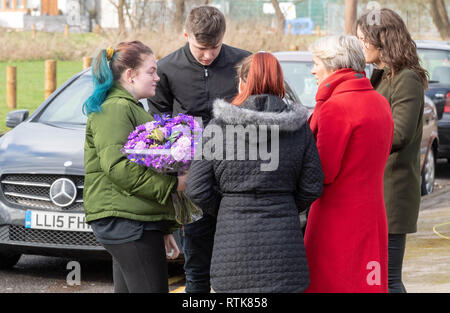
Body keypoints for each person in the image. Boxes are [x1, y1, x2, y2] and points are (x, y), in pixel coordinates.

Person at [185, 52, 323, 292]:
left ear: (241, 83)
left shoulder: (219, 127)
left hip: (233, 245)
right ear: (280, 83)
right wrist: (285, 205)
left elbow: (196, 187)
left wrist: (228, 207)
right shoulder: (299, 129)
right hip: (284, 246)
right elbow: (312, 185)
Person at [147, 6, 250, 293]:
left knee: (237, 267)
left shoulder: (243, 63)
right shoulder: (166, 69)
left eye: (214, 48)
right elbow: (161, 126)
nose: (207, 55)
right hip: (193, 181)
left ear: (224, 37)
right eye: (200, 48)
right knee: (196, 266)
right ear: (185, 35)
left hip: (236, 180)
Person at [83, 41, 185, 293]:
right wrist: (174, 185)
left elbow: (144, 165)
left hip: (136, 220)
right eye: (151, 71)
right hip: (127, 222)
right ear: (130, 75)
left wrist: (163, 227)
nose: (157, 78)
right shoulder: (115, 109)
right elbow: (118, 167)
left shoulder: (129, 108)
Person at [304, 35, 394, 293]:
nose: (312, 70)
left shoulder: (335, 107)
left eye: (316, 63)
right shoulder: (380, 102)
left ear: (334, 66)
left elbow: (323, 172)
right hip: (372, 214)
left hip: (336, 221)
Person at [356, 8, 428, 293]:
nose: (362, 46)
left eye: (364, 40)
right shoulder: (382, 75)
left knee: (388, 280)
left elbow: (399, 133)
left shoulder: (405, 78)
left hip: (393, 194)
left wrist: (357, 138)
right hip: (377, 191)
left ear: (381, 40)